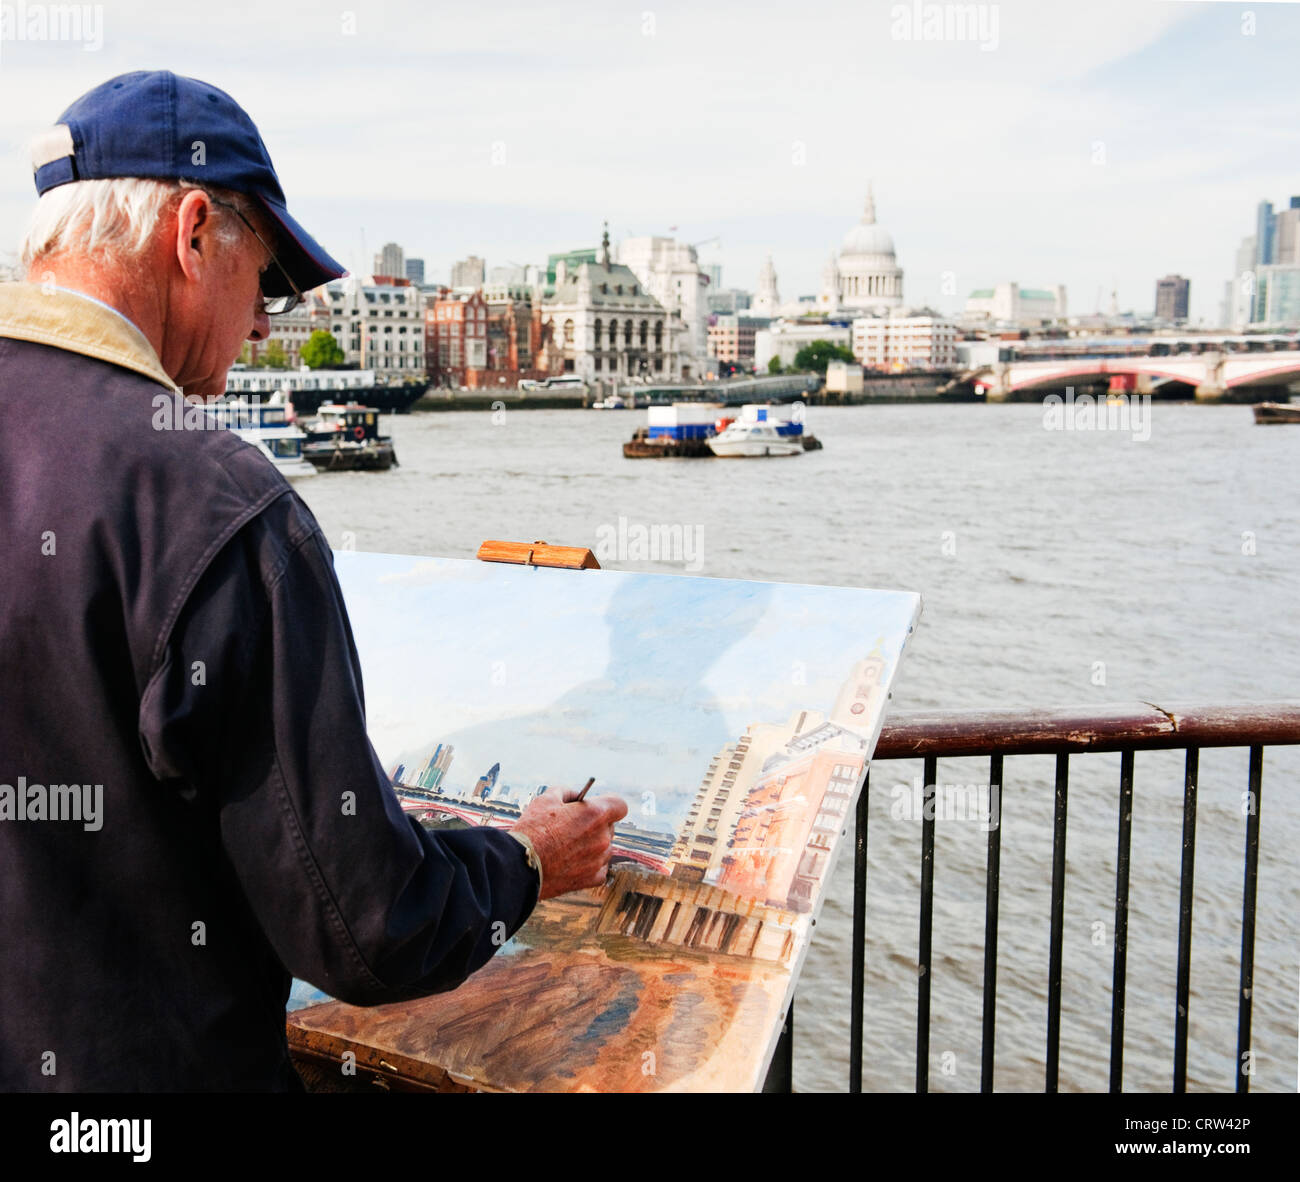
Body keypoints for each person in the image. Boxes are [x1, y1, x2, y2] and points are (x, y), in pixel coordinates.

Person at [0, 70, 626, 1091]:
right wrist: (523, 860)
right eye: (270, 282)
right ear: (194, 231)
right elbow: (365, 925)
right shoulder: (209, 500)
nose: (262, 329)